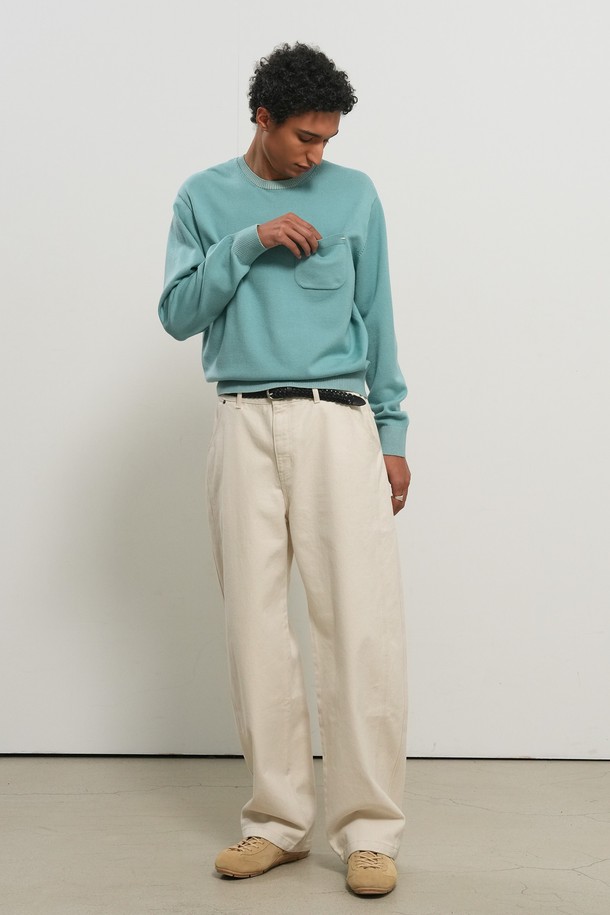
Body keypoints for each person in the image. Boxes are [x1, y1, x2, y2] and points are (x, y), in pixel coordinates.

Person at [158, 41, 411, 897]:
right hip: (242, 420)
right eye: (305, 136)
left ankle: (369, 831)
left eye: (328, 139)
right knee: (255, 625)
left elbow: (378, 317)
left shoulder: (354, 195)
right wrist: (249, 241)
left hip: (338, 421)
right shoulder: (203, 197)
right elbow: (177, 313)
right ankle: (276, 821)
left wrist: (393, 432)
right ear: (262, 118)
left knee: (361, 623)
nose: (316, 154)